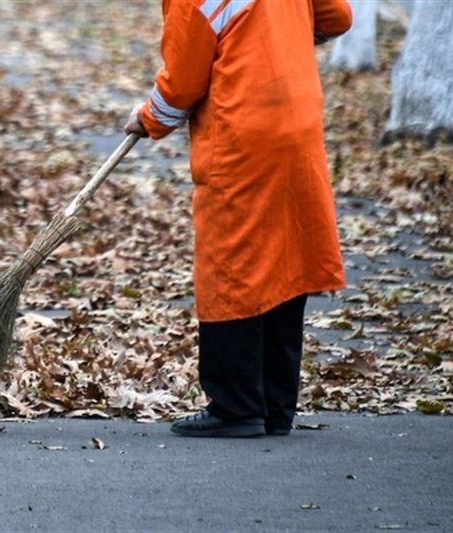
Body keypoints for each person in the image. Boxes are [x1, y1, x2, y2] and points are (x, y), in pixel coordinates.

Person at [124, 0, 352, 437]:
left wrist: (147, 118)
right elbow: (337, 17)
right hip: (298, 118)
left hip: (243, 131)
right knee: (287, 255)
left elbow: (183, 82)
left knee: (232, 258)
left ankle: (236, 405)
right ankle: (275, 405)